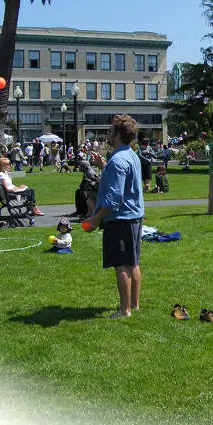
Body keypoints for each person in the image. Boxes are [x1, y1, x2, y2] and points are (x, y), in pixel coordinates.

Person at [83, 115, 145, 319]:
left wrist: (96, 218)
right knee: (133, 262)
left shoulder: (117, 161)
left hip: (120, 219)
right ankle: (134, 305)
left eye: (111, 131)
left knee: (121, 265)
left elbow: (114, 198)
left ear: (118, 134)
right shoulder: (130, 155)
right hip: (134, 216)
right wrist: (104, 166)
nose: (108, 134)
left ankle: (124, 310)